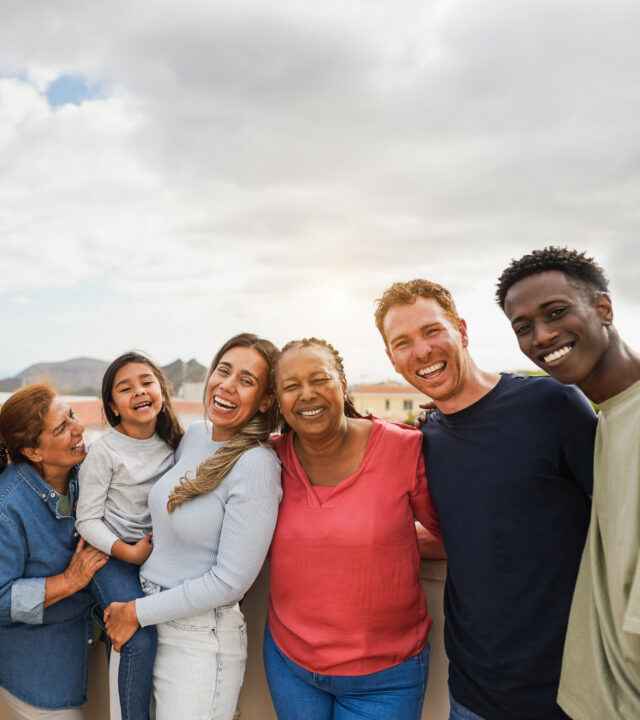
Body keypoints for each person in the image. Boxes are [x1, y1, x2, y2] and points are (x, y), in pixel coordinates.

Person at [375, 280, 596, 720]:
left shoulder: (553, 405)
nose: (421, 351)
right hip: (472, 695)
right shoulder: (424, 442)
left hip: (570, 695)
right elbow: (467, 531)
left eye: (432, 331)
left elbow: (622, 516)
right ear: (392, 359)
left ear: (461, 329)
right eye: (403, 342)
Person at [104, 333, 282, 720]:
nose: (227, 386)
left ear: (266, 400)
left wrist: (137, 612)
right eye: (223, 370)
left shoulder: (256, 465)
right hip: (142, 618)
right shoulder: (197, 436)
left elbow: (230, 582)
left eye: (247, 381)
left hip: (197, 640)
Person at [263, 337, 443, 720]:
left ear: (342, 382)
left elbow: (450, 534)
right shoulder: (268, 460)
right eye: (291, 386)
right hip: (289, 664)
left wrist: (391, 543)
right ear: (278, 399)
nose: (307, 394)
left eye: (319, 379)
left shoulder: (403, 447)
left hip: (387, 675)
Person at [498, 246, 640, 719]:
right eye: (523, 327)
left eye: (556, 312)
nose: (542, 336)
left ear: (603, 309)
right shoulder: (607, 420)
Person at [0, 383, 109, 720]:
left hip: (75, 650)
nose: (78, 428)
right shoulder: (3, 510)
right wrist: (69, 581)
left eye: (72, 415)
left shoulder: (81, 476)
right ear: (33, 452)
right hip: (33, 667)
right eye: (62, 428)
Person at [75, 352, 184, 720]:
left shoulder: (176, 444)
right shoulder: (104, 451)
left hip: (159, 558)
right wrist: (129, 553)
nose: (139, 391)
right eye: (125, 388)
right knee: (137, 641)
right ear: (113, 406)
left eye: (146, 382)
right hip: (114, 559)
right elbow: (86, 521)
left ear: (162, 391)